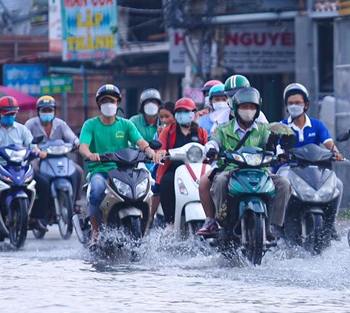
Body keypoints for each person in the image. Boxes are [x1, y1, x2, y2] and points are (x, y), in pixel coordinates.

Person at [196, 87, 291, 239]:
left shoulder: (263, 129)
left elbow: (273, 146)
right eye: (244, 107)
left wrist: (281, 154)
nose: (248, 110)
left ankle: (274, 225)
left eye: (252, 107)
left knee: (284, 183)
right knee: (219, 181)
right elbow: (213, 142)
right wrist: (211, 150)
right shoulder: (223, 128)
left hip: (260, 171)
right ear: (236, 108)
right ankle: (222, 220)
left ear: (257, 110)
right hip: (231, 170)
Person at [78, 84, 157, 246]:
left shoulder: (126, 124)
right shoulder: (90, 125)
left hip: (124, 171)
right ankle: (96, 231)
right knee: (97, 191)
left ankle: (147, 228)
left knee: (146, 190)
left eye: (112, 101)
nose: (109, 104)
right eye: (105, 101)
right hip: (101, 172)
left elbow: (140, 141)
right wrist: (90, 154)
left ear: (118, 104)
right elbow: (83, 146)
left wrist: (150, 152)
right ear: (99, 104)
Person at [0, 96, 50, 232]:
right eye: (7, 114)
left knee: (44, 184)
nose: (10, 116)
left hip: (20, 167)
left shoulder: (22, 130)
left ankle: (35, 218)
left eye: (13, 114)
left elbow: (32, 145)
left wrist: (39, 152)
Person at [278, 82, 344, 234]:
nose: (294, 106)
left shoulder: (317, 125)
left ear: (306, 105)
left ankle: (330, 222)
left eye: (298, 103)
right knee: (281, 185)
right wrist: (280, 155)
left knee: (338, 185)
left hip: (314, 170)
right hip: (289, 168)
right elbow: (276, 147)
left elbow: (328, 143)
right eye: (290, 103)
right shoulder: (281, 126)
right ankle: (278, 224)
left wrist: (336, 153)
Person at [154, 97, 209, 227]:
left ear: (193, 114)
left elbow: (208, 149)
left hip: (197, 171)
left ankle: (212, 219)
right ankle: (170, 222)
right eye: (179, 112)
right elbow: (160, 148)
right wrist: (161, 152)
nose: (182, 114)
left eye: (185, 111)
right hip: (175, 169)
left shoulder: (201, 132)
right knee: (166, 182)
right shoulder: (169, 131)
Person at [24, 95, 84, 208]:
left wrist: (77, 143)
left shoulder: (61, 124)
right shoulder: (30, 124)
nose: (47, 113)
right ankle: (34, 206)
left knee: (78, 171)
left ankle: (75, 202)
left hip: (59, 157)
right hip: (39, 158)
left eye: (50, 110)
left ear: (54, 111)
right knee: (33, 172)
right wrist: (35, 150)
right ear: (38, 112)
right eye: (44, 110)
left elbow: (71, 137)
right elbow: (25, 141)